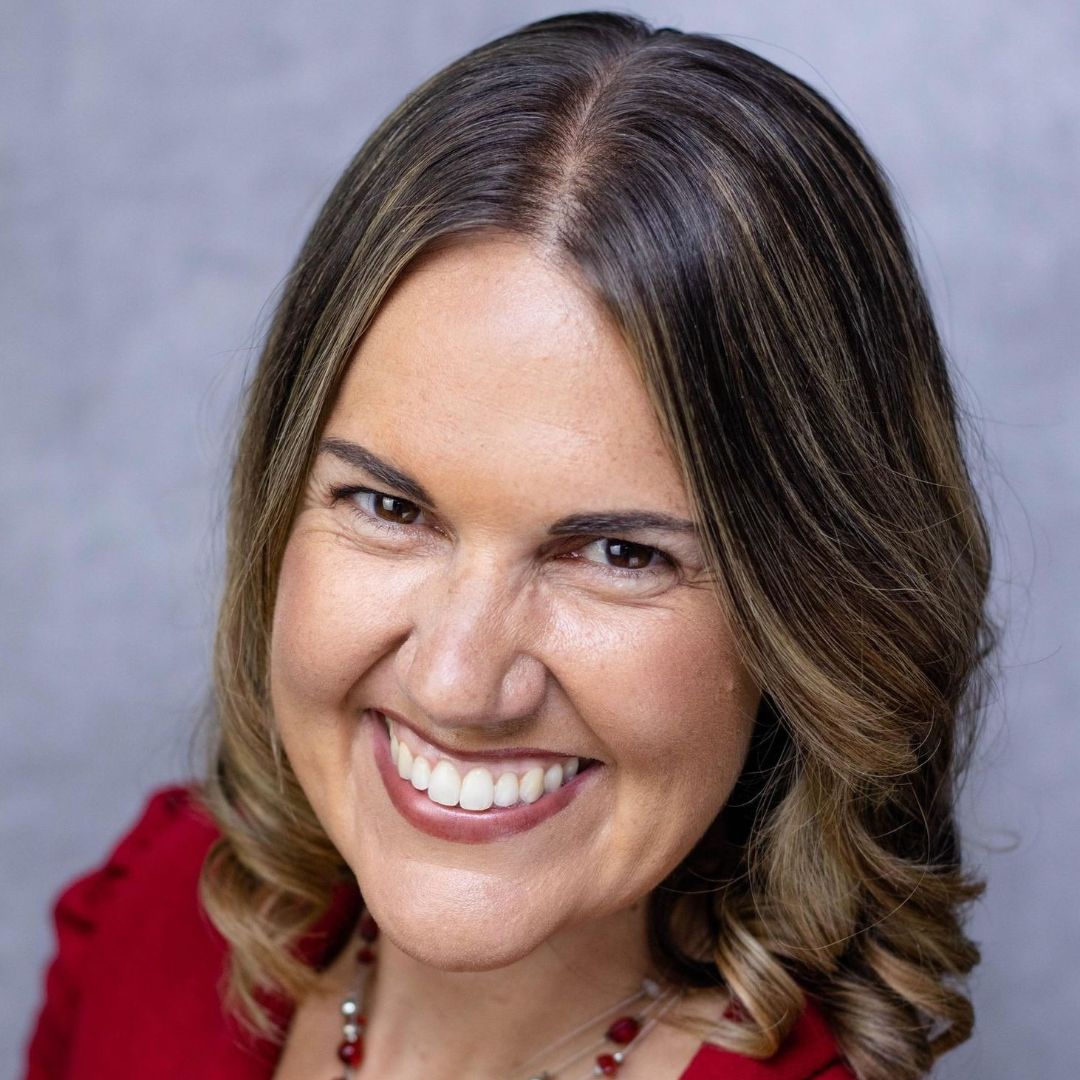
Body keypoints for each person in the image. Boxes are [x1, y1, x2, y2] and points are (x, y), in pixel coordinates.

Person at [23, 10, 997, 1080]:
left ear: (818, 614)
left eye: (619, 554)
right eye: (388, 507)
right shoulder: (157, 915)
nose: (456, 682)